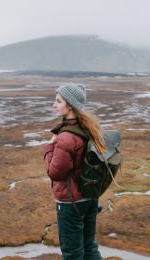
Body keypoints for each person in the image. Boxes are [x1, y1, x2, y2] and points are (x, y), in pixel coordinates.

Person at [44, 83, 105, 260]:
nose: (54, 105)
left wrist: (49, 148)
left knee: (72, 254)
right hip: (90, 197)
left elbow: (55, 173)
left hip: (71, 203)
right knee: (89, 248)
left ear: (70, 105)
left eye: (58, 101)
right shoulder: (88, 128)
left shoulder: (66, 138)